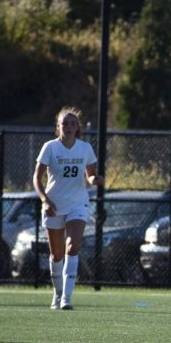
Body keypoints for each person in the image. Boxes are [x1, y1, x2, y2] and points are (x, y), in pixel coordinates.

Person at [33, 107, 104, 310]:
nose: (69, 127)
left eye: (73, 123)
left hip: (77, 204)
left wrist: (94, 179)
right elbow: (36, 178)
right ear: (58, 127)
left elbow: (90, 175)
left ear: (77, 127)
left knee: (72, 247)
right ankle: (57, 293)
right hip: (53, 206)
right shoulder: (50, 147)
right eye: (65, 123)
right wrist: (45, 200)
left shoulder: (85, 148)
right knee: (56, 255)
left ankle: (67, 298)